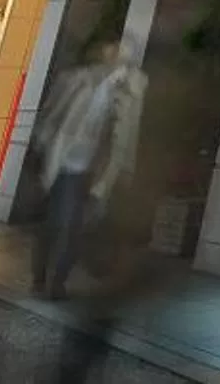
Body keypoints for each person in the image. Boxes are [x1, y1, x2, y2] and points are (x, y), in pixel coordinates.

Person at [29, 39, 146, 299]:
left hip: (92, 169)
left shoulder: (129, 91)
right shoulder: (77, 80)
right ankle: (41, 277)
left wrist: (125, 170)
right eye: (113, 55)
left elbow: (128, 135)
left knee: (73, 227)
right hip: (61, 162)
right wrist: (43, 146)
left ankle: (56, 282)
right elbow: (52, 115)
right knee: (55, 224)